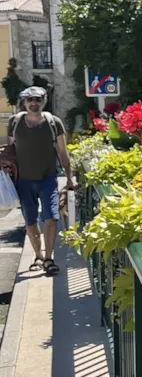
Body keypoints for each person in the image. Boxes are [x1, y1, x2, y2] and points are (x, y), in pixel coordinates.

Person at [4, 86, 75, 275]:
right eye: (30, 100)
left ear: (43, 102)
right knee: (30, 220)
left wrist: (69, 177)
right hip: (23, 180)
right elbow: (11, 149)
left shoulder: (54, 122)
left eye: (37, 100)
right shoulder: (15, 122)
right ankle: (38, 256)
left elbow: (62, 151)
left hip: (48, 177)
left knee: (51, 217)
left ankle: (49, 258)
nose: (34, 103)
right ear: (24, 103)